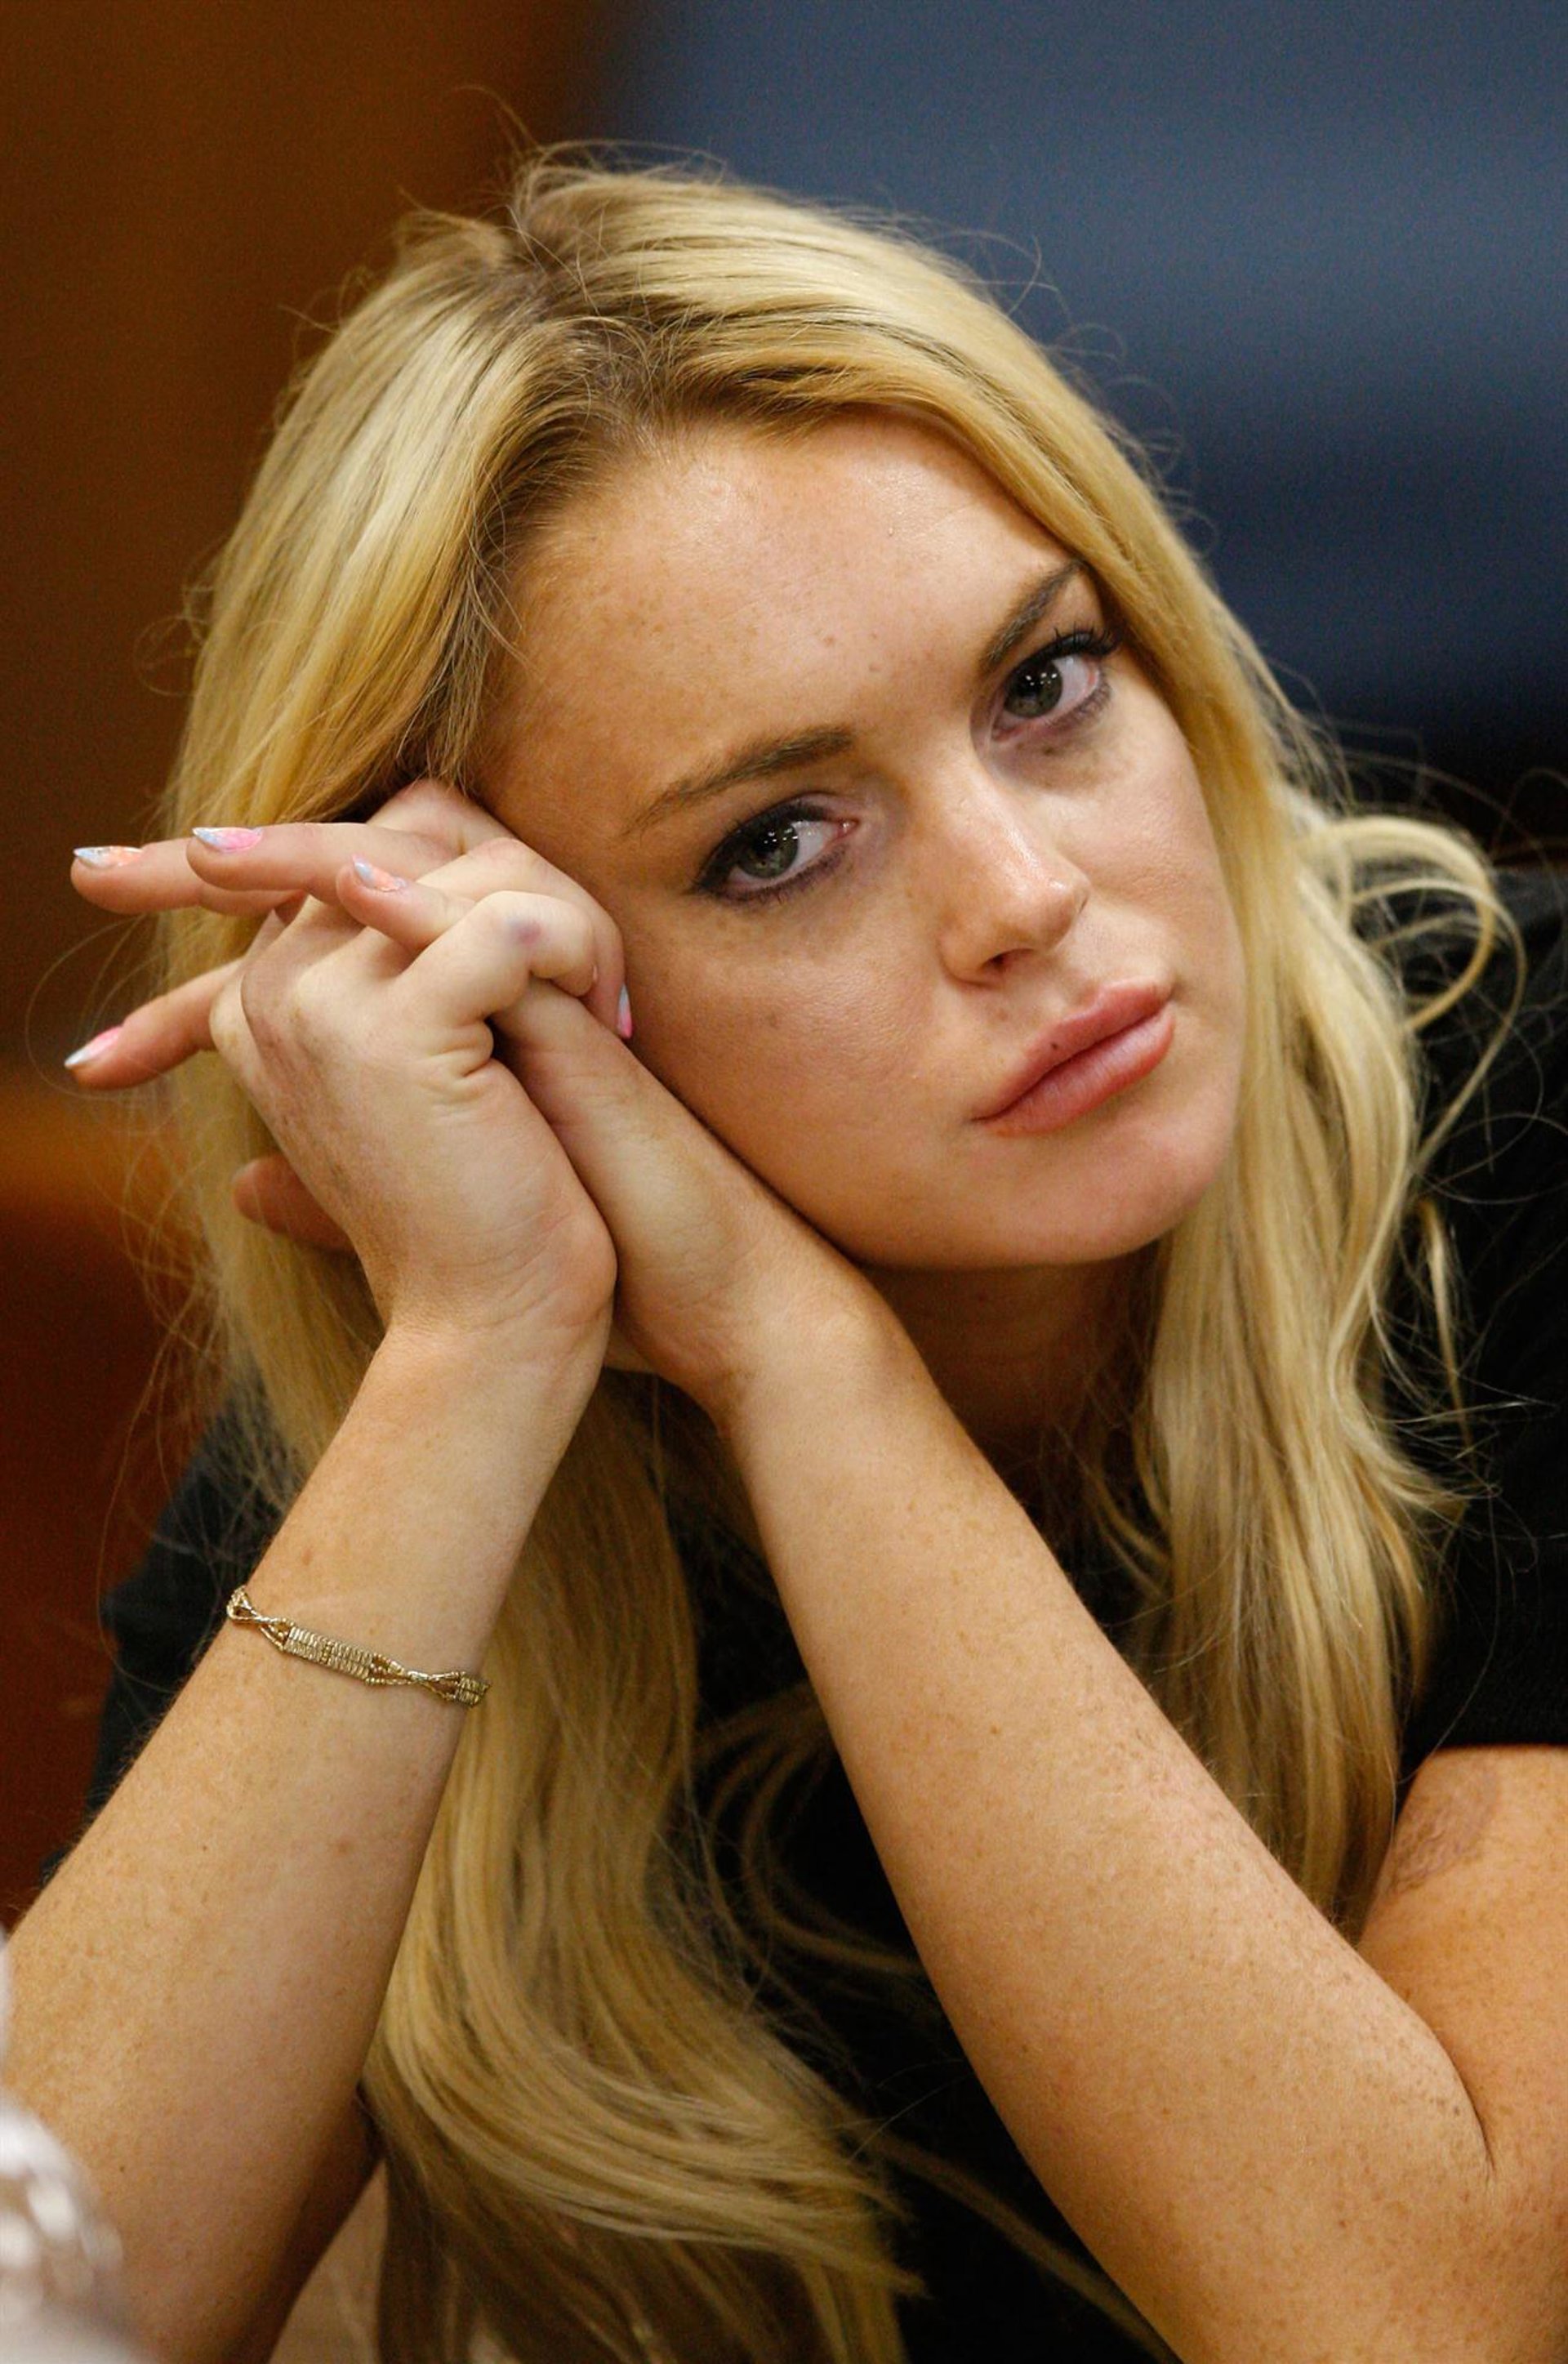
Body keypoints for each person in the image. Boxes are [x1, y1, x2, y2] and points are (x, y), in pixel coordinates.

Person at [7, 153, 1566, 2364]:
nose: (1027, 894)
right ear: (508, 979)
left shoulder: (1528, 1109)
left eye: (1046, 683)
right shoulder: (469, 1362)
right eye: (777, 843)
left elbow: (1414, 2324)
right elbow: (56, 2312)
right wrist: (479, 1347)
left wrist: (794, 1357)